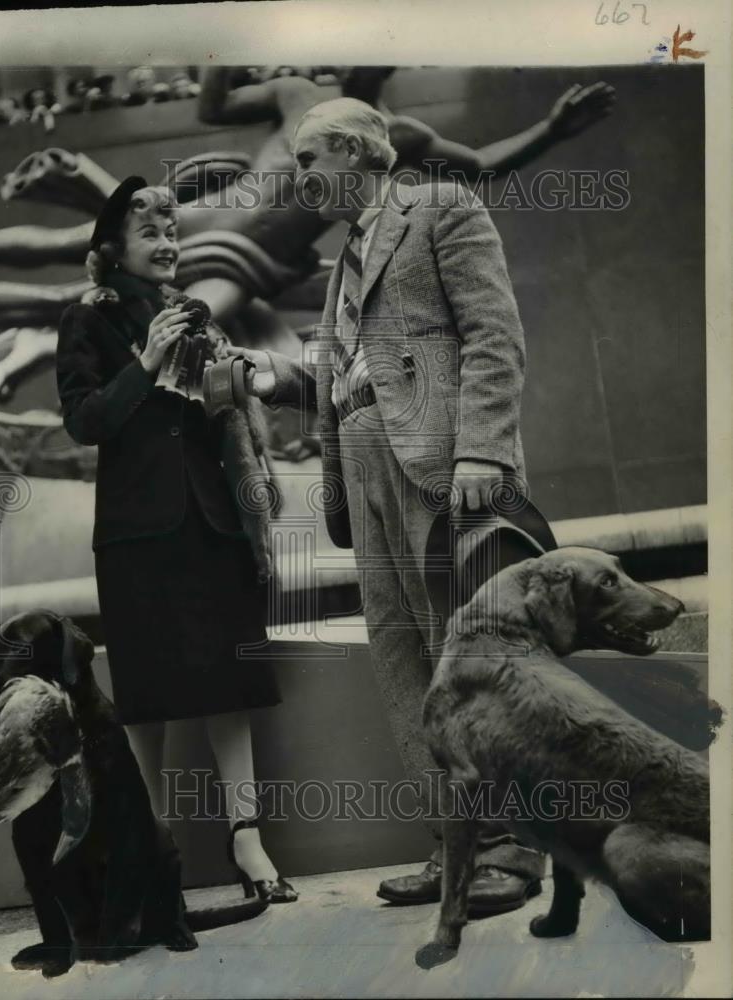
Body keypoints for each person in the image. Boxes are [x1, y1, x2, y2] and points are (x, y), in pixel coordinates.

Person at [230, 98, 546, 915]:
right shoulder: (344, 257)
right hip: (364, 470)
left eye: (307, 159)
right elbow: (345, 380)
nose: (297, 177)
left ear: (359, 153)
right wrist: (270, 374)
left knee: (470, 654)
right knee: (405, 660)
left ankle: (513, 849)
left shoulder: (440, 206)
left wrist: (483, 447)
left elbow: (493, 335)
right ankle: (454, 850)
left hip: (443, 466)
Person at [55, 175, 297, 903]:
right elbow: (86, 422)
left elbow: (227, 426)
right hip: (136, 535)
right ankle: (150, 853)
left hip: (216, 525)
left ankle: (247, 842)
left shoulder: (201, 320)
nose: (168, 245)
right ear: (112, 251)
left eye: (173, 234)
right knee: (146, 697)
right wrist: (149, 362)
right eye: (151, 235)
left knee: (232, 685)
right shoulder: (87, 322)